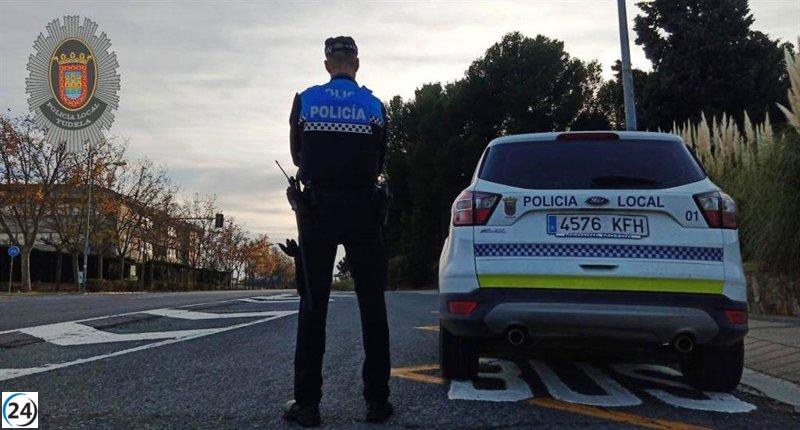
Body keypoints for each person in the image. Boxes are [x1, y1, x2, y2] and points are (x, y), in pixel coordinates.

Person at [282, 36, 392, 428]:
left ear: (328, 65)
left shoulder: (307, 100)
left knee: (313, 307)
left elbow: (297, 155)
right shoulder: (375, 106)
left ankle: (308, 406)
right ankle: (377, 402)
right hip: (364, 208)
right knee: (372, 307)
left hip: (319, 210)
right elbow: (380, 160)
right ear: (356, 64)